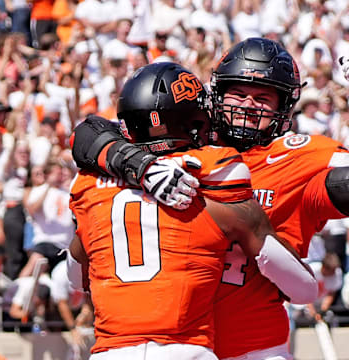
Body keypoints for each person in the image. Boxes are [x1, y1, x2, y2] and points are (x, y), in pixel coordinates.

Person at [70, 38, 349, 359]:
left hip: (254, 347)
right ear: (216, 94)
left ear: (283, 107)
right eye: (239, 93)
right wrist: (140, 165)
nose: (248, 105)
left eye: (262, 98)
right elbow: (89, 133)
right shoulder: (183, 142)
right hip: (181, 343)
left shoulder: (300, 156)